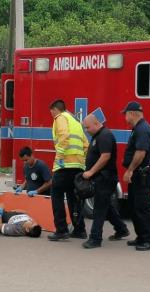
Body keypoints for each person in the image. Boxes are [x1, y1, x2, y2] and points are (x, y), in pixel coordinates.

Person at [81, 114, 129, 249]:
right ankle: (121, 229)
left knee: (99, 209)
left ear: (96, 124)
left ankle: (95, 239)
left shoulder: (105, 135)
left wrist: (91, 171)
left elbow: (105, 156)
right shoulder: (98, 136)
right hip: (101, 177)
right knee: (106, 206)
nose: (86, 130)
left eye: (88, 127)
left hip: (105, 178)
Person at [48, 99, 89, 241]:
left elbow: (64, 136)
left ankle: (61, 230)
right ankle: (80, 229)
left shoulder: (60, 118)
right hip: (77, 166)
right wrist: (82, 162)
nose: (51, 115)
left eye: (51, 112)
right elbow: (86, 145)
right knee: (74, 198)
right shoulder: (76, 123)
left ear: (55, 110)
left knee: (57, 196)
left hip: (64, 165)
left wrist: (59, 156)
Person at [122, 101, 150, 251]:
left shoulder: (142, 129)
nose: (124, 117)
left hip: (141, 174)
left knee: (143, 208)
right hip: (139, 174)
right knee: (134, 206)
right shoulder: (138, 128)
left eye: (125, 114)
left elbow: (140, 152)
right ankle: (141, 237)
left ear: (131, 113)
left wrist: (130, 170)